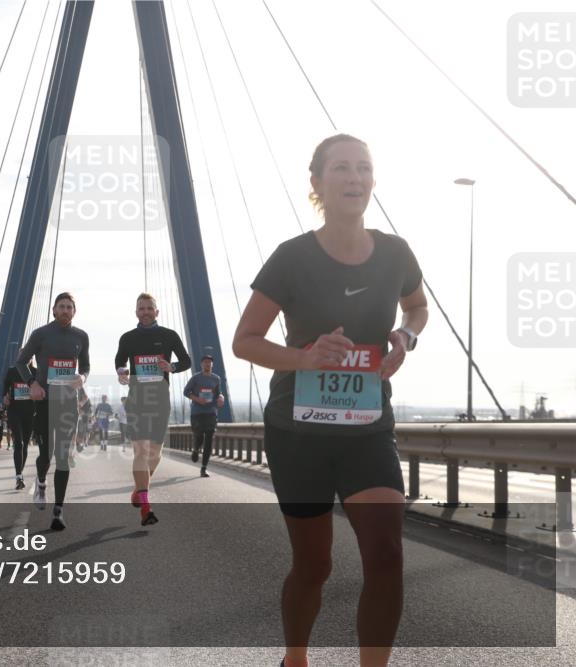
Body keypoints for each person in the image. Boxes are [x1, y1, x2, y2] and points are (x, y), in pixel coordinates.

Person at [232, 134, 428, 667]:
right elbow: (244, 340)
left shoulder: (394, 253)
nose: (354, 178)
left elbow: (417, 307)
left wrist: (405, 338)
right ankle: (295, 657)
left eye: (363, 168)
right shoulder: (292, 258)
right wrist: (306, 357)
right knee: (314, 566)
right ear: (317, 183)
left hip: (367, 428)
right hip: (300, 434)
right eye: (341, 168)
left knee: (386, 556)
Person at [15, 292, 90, 531]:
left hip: (68, 402)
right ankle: (40, 481)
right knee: (46, 455)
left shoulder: (81, 336)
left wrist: (83, 377)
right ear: (54, 310)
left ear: (74, 312)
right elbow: (20, 362)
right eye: (62, 306)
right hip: (45, 401)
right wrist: (33, 384)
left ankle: (58, 511)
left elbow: (86, 365)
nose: (66, 310)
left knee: (64, 457)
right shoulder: (41, 334)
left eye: (70, 307)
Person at [115, 292, 191, 526]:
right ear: (136, 312)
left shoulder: (169, 335)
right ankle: (146, 507)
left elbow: (187, 361)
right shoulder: (127, 338)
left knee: (155, 453)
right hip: (137, 398)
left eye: (150, 308)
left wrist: (173, 366)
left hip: (160, 399)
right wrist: (121, 372)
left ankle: (140, 488)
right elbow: (119, 361)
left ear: (156, 312)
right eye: (141, 308)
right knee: (140, 451)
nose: (146, 312)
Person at [183, 354, 225, 478]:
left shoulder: (216, 379)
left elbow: (218, 393)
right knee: (199, 437)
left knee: (209, 440)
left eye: (209, 362)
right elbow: (186, 392)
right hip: (197, 412)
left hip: (211, 412)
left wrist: (221, 397)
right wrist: (197, 399)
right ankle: (195, 449)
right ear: (201, 364)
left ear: (212, 364)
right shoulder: (196, 378)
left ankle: (203, 468)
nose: (207, 364)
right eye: (205, 362)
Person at [3, 361, 37, 489]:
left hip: (30, 412)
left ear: (31, 357)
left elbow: (42, 388)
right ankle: (18, 476)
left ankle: (20, 472)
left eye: (27, 355)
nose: (25, 357)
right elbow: (5, 385)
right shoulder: (12, 371)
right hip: (14, 410)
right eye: (22, 355)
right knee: (19, 443)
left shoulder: (35, 372)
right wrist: (4, 396)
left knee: (25, 445)